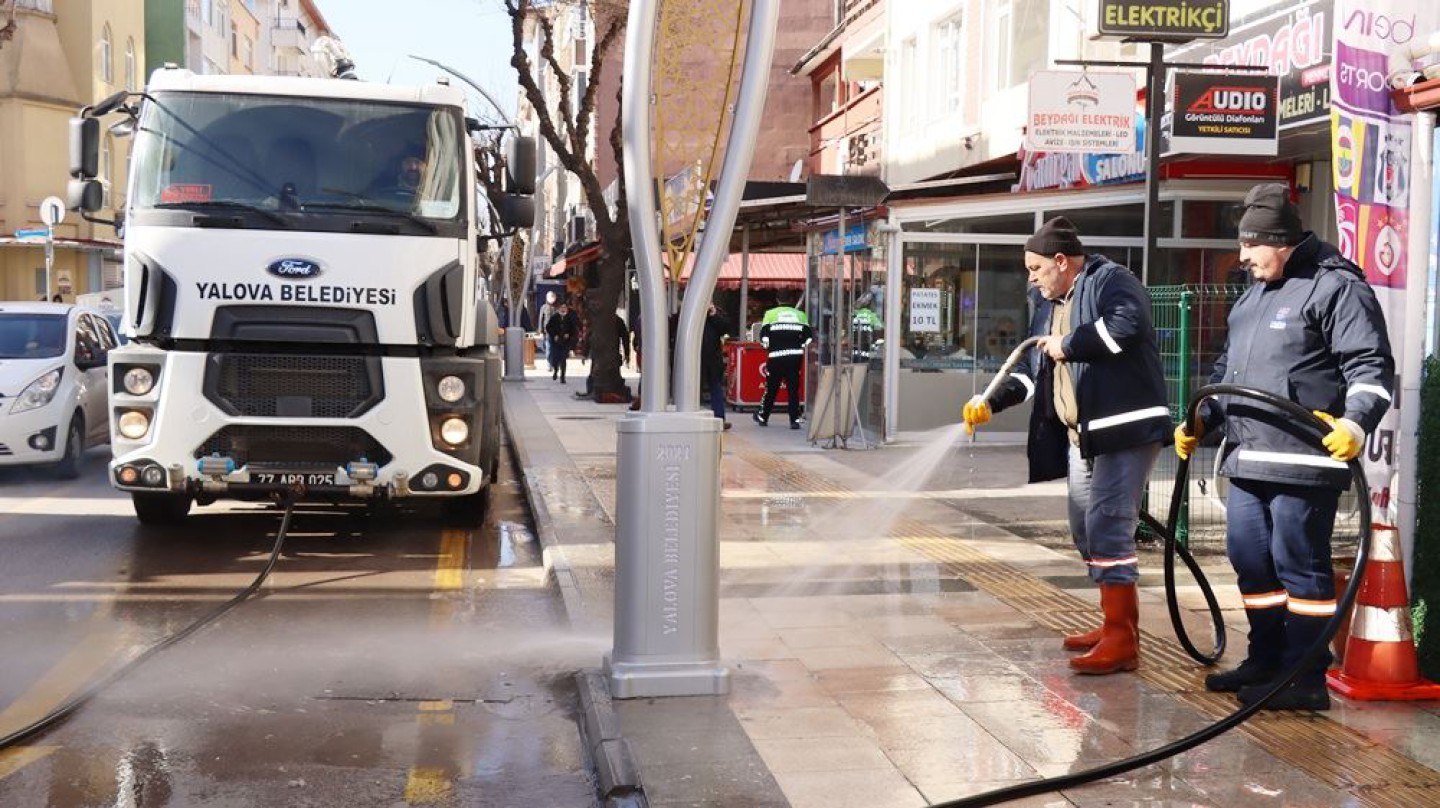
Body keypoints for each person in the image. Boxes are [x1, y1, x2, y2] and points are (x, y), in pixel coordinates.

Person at [1175, 183, 1394, 710]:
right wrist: (1203, 418)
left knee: (1298, 563)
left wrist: (1357, 423)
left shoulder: (1336, 288)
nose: (1243, 257)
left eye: (1252, 246)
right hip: (1247, 456)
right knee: (1251, 560)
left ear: (1281, 241)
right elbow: (1229, 373)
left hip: (1303, 459)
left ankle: (1305, 675)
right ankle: (1266, 658)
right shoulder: (1253, 295)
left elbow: (1371, 368)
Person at [963, 216, 1169, 676]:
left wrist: (1070, 343)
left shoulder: (1112, 280)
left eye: (1036, 268)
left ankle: (1122, 640)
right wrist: (988, 403)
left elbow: (1127, 325)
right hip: (1084, 436)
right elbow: (1032, 369)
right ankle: (1115, 624)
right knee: (1085, 528)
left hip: (1125, 429)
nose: (1031, 278)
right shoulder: (1049, 304)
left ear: (1062, 261)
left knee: (1109, 526)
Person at [753, 291, 811, 429]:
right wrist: (800, 345)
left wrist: (768, 346)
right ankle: (794, 420)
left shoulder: (770, 314)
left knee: (771, 388)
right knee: (793, 390)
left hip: (776, 357)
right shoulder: (801, 315)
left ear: (777, 300)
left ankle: (763, 416)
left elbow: (764, 336)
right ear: (791, 299)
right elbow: (808, 337)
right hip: (794, 358)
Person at [701, 303, 733, 429]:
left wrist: (714, 314)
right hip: (695, 357)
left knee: (715, 386)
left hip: (713, 358)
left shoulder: (715, 314)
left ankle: (720, 418)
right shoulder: (688, 311)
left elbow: (726, 328)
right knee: (693, 388)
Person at [545, 301, 578, 383]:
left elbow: (574, 329)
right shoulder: (554, 317)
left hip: (565, 342)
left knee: (563, 359)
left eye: (565, 308)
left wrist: (569, 335)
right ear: (559, 308)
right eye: (562, 308)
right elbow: (548, 327)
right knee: (555, 359)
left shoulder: (569, 318)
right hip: (555, 342)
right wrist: (554, 335)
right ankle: (556, 370)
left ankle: (563, 377)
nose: (563, 309)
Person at [850, 292, 882, 364]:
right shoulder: (871, 315)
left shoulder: (855, 313)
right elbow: (879, 330)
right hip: (866, 345)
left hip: (856, 346)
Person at [538, 291, 558, 373]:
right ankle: (550, 364)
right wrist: (540, 331)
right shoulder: (544, 307)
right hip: (547, 332)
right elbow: (541, 320)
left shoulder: (556, 308)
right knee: (548, 348)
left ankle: (553, 364)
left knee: (553, 348)